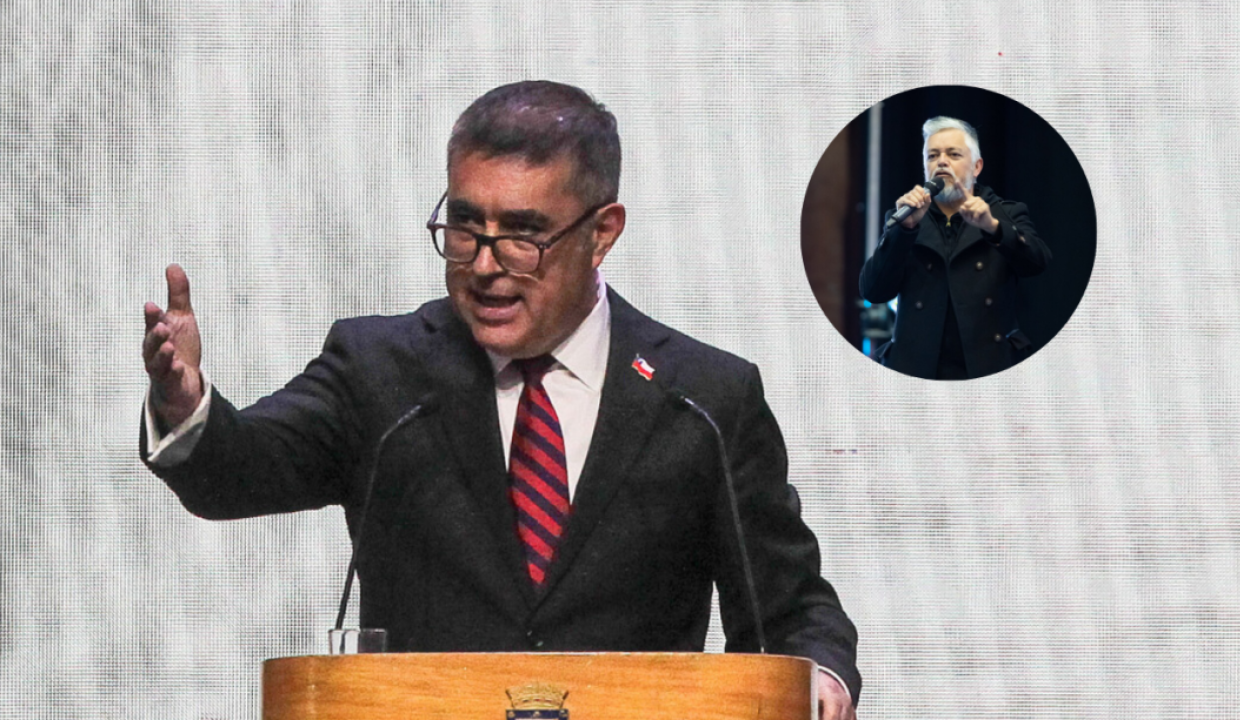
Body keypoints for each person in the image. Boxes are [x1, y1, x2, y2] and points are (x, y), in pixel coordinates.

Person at [141, 81, 861, 718]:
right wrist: (186, 404)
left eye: (523, 234)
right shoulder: (381, 373)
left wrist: (820, 676)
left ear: (602, 233)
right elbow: (240, 470)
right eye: (464, 227)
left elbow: (789, 608)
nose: (485, 266)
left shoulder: (704, 400)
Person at [860, 116, 1052, 380]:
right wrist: (904, 231)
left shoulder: (1005, 213)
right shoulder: (907, 217)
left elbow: (1038, 263)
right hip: (916, 368)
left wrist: (993, 228)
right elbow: (873, 291)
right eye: (932, 155)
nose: (941, 161)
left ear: (976, 166)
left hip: (988, 365)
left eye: (953, 154)